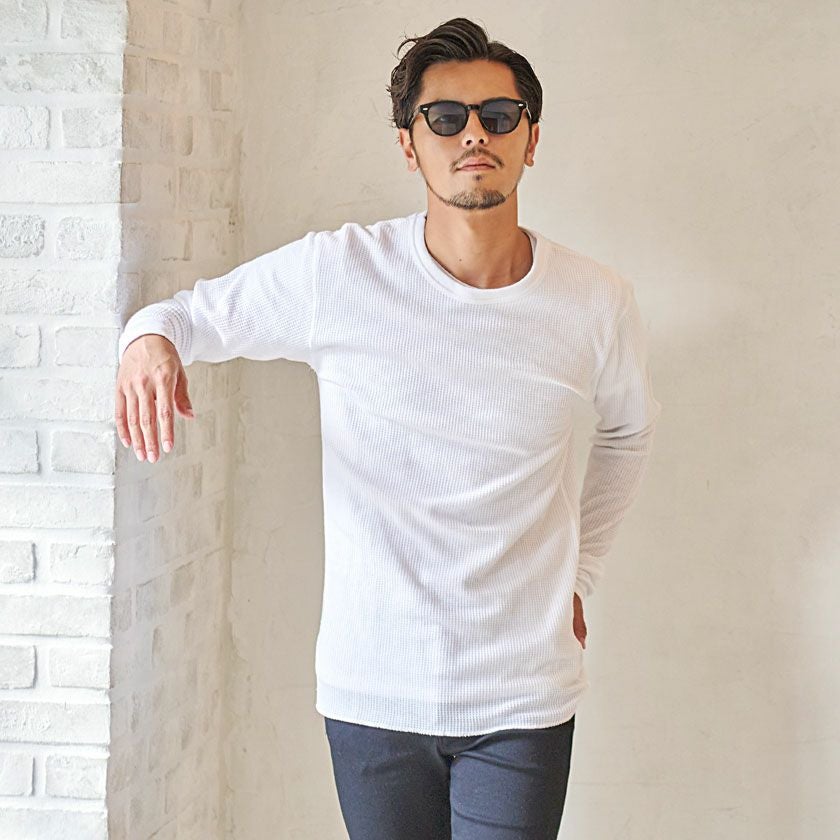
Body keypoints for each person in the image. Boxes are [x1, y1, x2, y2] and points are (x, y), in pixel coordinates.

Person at [115, 16, 662, 840]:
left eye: (498, 116)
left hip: (524, 693)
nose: (474, 134)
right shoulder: (342, 273)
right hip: (373, 692)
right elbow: (187, 316)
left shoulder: (595, 300)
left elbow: (629, 432)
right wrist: (147, 342)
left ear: (531, 138)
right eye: (445, 118)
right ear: (410, 145)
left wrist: (579, 578)